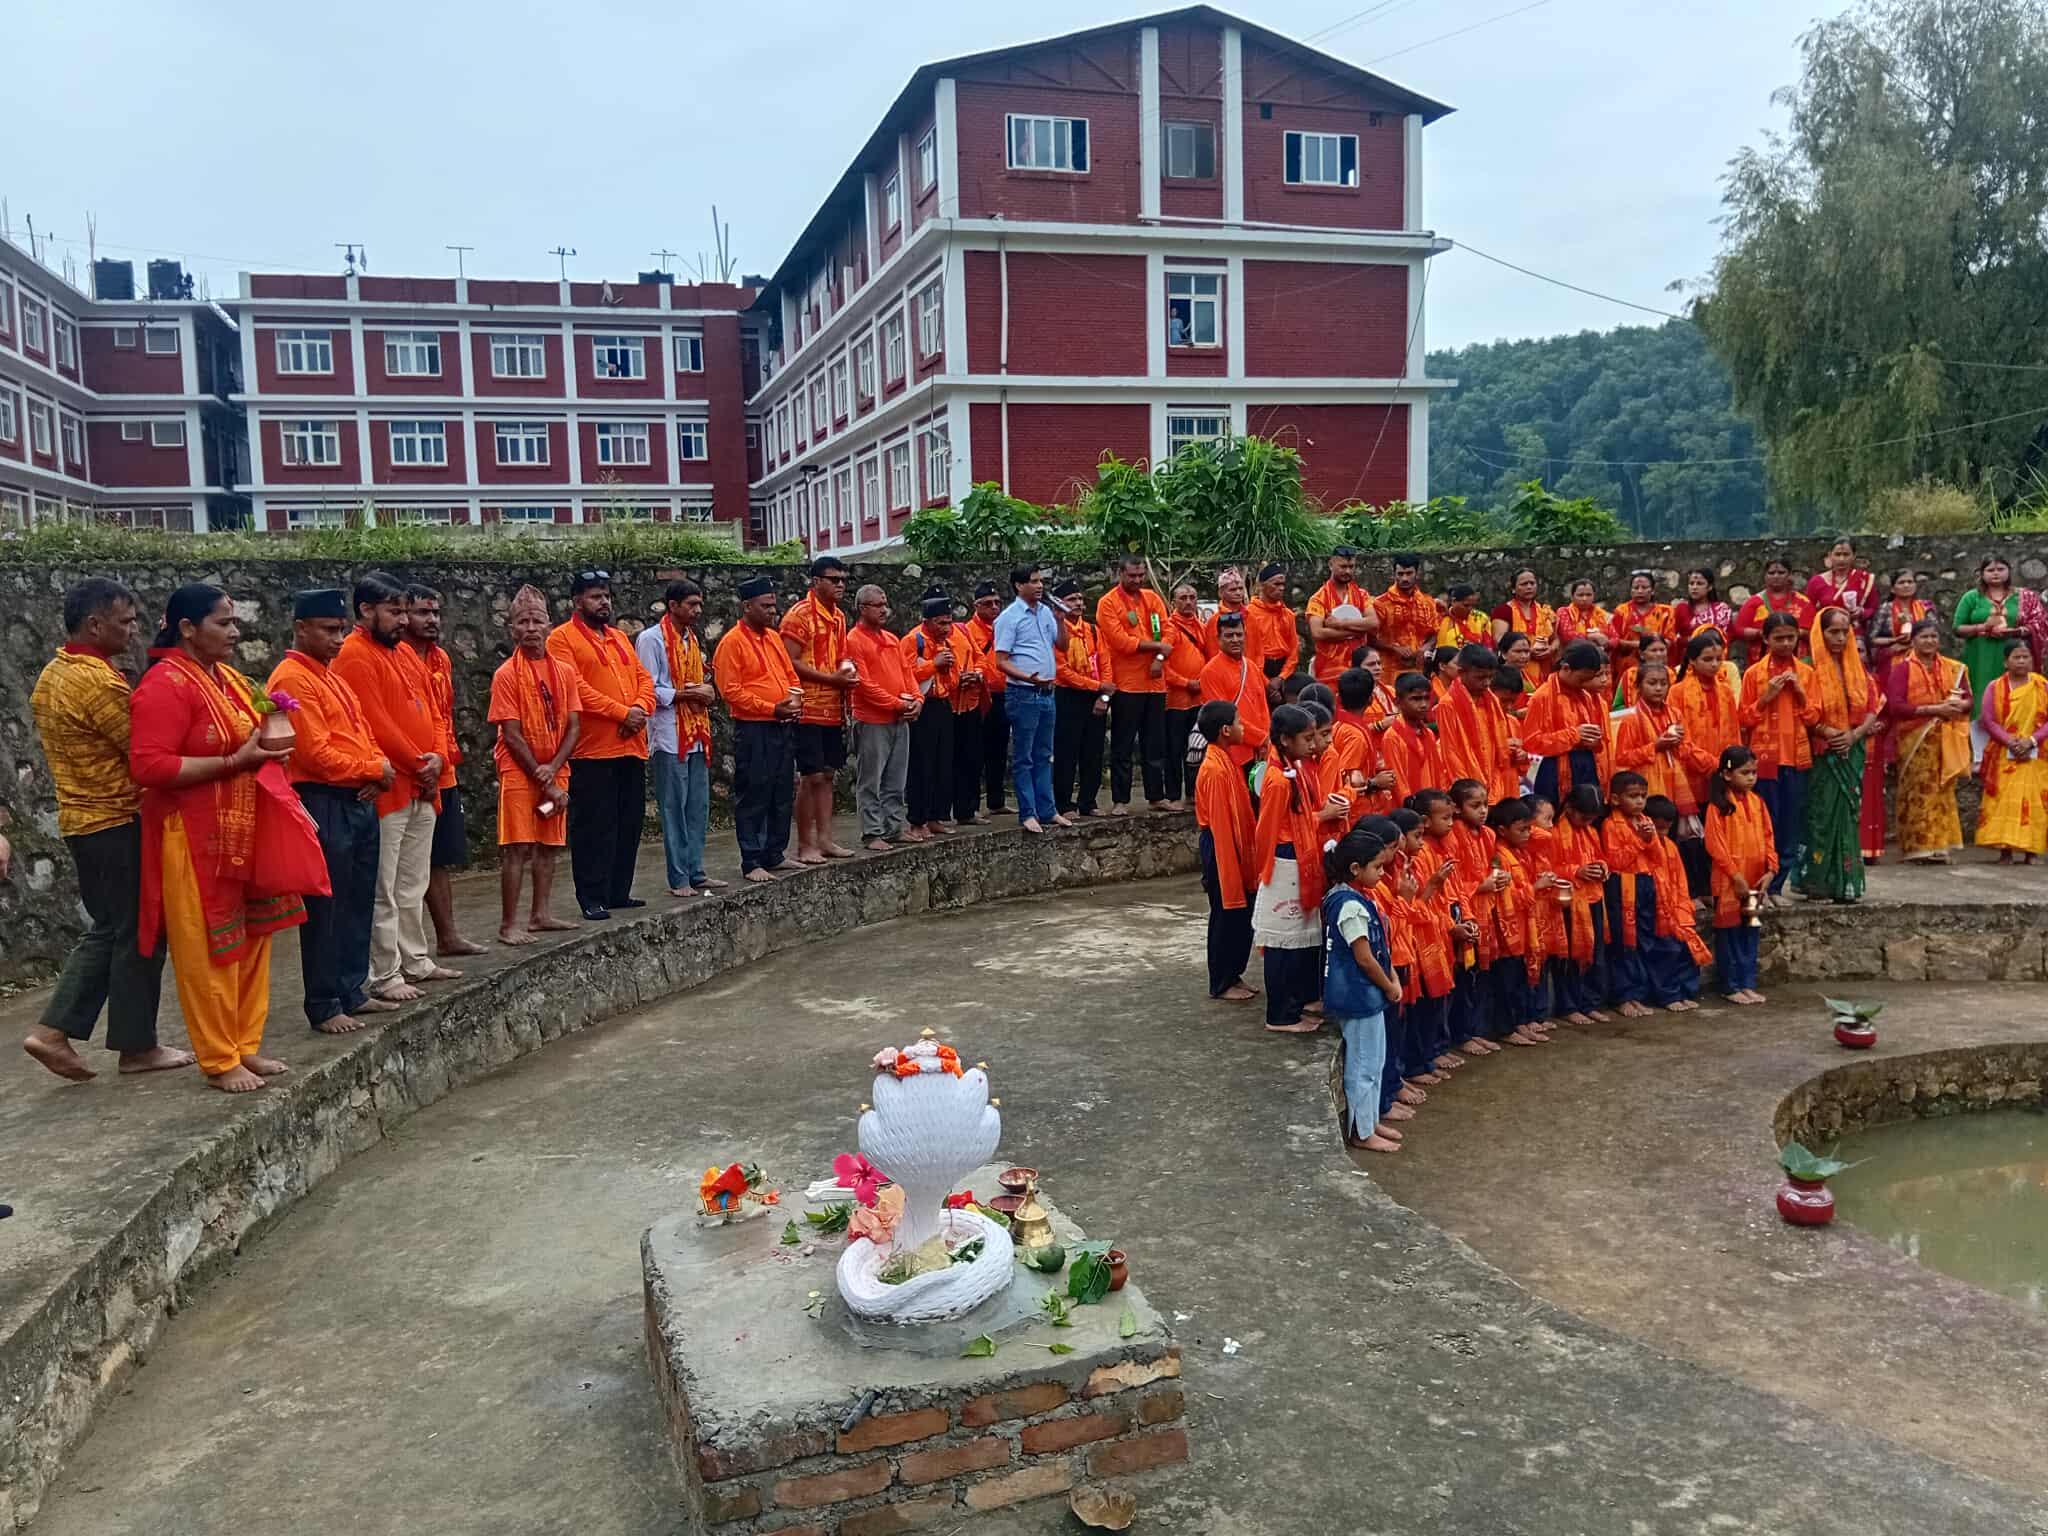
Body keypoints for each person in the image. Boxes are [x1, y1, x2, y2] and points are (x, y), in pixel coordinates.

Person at [129, 584, 302, 1092]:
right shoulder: (164, 685)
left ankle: (245, 1044)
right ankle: (219, 1057)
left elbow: (256, 731)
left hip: (246, 826)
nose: (234, 631)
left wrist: (273, 746)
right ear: (187, 628)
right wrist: (235, 762)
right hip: (192, 833)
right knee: (208, 947)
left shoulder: (225, 677)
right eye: (223, 623)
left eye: (233, 622)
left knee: (255, 938)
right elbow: (149, 765)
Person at [23, 578, 184, 1082]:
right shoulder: (98, 682)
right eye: (126, 621)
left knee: (113, 928)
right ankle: (131, 1046)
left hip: (83, 823)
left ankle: (60, 1032)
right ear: (95, 625)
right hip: (116, 821)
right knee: (138, 930)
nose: (134, 630)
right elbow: (144, 751)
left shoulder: (54, 672)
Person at [267, 589, 397, 1036]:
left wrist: (377, 771)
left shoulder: (331, 676)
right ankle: (324, 1001)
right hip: (323, 799)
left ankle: (352, 988)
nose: (337, 638)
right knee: (328, 904)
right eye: (328, 630)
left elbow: (364, 734)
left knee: (358, 897)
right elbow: (316, 754)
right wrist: (374, 768)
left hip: (356, 798)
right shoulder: (292, 679)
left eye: (340, 629)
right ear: (301, 628)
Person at [333, 571, 454, 999]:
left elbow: (436, 712)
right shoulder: (353, 654)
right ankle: (385, 974)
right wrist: (419, 763)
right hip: (391, 786)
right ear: (366, 611)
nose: (403, 620)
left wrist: (437, 757)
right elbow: (375, 723)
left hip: (423, 782)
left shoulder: (403, 653)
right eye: (394, 611)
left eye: (406, 611)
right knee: (383, 886)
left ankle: (415, 959)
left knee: (412, 882)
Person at [546, 568, 656, 918]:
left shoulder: (620, 638)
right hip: (593, 751)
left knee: (628, 822)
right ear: (577, 601)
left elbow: (644, 679)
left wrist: (639, 709)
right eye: (595, 596)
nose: (604, 601)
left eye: (606, 595)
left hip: (631, 746)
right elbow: (575, 688)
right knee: (595, 825)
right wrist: (623, 713)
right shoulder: (561, 640)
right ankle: (591, 896)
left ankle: (617, 891)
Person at [488, 585, 583, 943]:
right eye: (523, 621)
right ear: (511, 628)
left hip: (555, 773)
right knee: (517, 846)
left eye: (537, 620)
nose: (530, 627)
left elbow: (574, 725)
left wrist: (554, 769)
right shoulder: (506, 674)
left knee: (548, 842)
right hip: (520, 772)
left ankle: (541, 914)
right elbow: (511, 734)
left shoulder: (565, 671)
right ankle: (509, 924)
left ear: (549, 625)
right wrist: (543, 777)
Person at [1251, 703, 1343, 1033]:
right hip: (1283, 861)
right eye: (1306, 738)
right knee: (1282, 942)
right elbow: (1267, 829)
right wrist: (1265, 870)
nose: (1313, 744)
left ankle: (1294, 1004)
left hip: (1297, 856)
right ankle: (1279, 1015)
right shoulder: (1277, 779)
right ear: (1286, 740)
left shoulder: (1295, 768)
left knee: (1298, 939)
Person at [404, 584, 483, 958]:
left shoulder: (441, 659)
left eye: (435, 613)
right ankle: (408, 951)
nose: (432, 620)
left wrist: (442, 759)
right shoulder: (398, 657)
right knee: (407, 867)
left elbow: (444, 715)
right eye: (422, 612)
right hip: (412, 771)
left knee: (440, 856)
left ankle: (448, 936)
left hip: (444, 767)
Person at [713, 575, 804, 882]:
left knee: (781, 790)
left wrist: (792, 701)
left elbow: (790, 675)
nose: (772, 612)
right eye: (765, 606)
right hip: (754, 729)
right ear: (747, 606)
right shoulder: (732, 643)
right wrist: (770, 708)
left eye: (774, 606)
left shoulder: (773, 638)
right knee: (754, 793)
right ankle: (751, 860)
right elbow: (731, 691)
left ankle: (774, 853)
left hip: (781, 725)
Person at [636, 579, 722, 898]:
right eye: (691, 605)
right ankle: (679, 877)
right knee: (674, 807)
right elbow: (648, 689)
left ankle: (696, 871)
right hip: (669, 733)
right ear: (673, 606)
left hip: (697, 731)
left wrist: (704, 693)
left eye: (699, 604)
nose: (698, 610)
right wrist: (688, 694)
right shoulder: (651, 639)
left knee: (698, 806)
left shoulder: (691, 639)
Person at [1323, 826, 1404, 1153]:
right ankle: (1362, 1130)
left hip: (1366, 995)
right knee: (1364, 1065)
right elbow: (1365, 959)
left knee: (1374, 1060)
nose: (1383, 874)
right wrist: (1390, 985)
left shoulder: (1352, 898)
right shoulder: (1349, 906)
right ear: (1356, 869)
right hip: (1359, 995)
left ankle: (1369, 1121)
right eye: (1378, 867)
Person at [1797, 607, 1881, 903]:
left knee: (1848, 815)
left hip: (1851, 751)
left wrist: (1853, 736)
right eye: (1833, 631)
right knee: (1820, 816)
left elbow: (1872, 708)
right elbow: (1802, 712)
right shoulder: (1807, 669)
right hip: (1823, 754)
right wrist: (1827, 733)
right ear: (1820, 633)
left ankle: (1847, 883)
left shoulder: (1856, 667)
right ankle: (1816, 881)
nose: (1840, 637)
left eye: (1845, 631)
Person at [779, 556, 858, 864]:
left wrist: (848, 672)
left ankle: (825, 839)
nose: (840, 584)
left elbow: (841, 656)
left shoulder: (837, 616)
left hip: (833, 706)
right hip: (808, 706)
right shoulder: (798, 615)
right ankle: (805, 844)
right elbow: (790, 661)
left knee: (828, 775)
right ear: (816, 581)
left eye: (843, 579)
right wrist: (831, 678)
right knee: (810, 776)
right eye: (833, 579)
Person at [1739, 611, 1818, 896]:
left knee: (1789, 824)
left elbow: (1813, 719)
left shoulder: (1807, 674)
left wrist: (1800, 693)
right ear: (1765, 639)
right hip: (1763, 762)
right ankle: (1760, 884)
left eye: (1791, 638)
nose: (1786, 643)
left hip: (1796, 760)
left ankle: (1775, 886)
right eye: (1779, 638)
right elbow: (1744, 719)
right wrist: (1766, 698)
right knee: (1764, 824)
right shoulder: (1753, 674)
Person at [1887, 618, 1972, 864]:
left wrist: (1958, 705)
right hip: (1915, 738)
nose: (1930, 641)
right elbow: (1896, 706)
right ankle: (1917, 847)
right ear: (1913, 640)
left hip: (1945, 737)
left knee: (1943, 790)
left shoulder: (1954, 669)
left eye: (1934, 636)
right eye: (1924, 637)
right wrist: (1935, 709)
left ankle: (1940, 846)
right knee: (1917, 791)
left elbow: (1969, 701)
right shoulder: (1902, 668)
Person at [991, 565, 1068, 834]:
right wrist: (1027, 677)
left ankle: (1048, 810)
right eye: (1033, 581)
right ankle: (1028, 812)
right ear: (1018, 586)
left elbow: (1063, 646)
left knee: (1045, 755)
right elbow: (1000, 661)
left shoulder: (1046, 612)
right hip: (1023, 693)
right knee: (1024, 757)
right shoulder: (1009, 618)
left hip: (1047, 692)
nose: (1039, 586)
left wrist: (1060, 620)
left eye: (1040, 581)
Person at [1095, 556, 1175, 812]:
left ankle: (1155, 796)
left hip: (1155, 684)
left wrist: (1160, 657)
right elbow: (1121, 641)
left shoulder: (1152, 598)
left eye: (1141, 576)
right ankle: (1120, 800)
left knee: (1155, 744)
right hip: (1127, 684)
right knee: (1123, 744)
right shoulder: (1107, 603)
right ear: (1120, 573)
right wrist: (1157, 647)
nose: (1138, 580)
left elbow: (1168, 630)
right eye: (1132, 576)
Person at [845, 584, 921, 851]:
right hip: (872, 719)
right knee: (871, 780)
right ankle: (872, 831)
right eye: (878, 605)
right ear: (863, 608)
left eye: (885, 604)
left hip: (899, 718)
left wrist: (917, 700)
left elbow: (908, 673)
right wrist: (898, 704)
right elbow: (863, 684)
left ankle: (894, 826)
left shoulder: (891, 639)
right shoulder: (854, 640)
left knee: (896, 779)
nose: (884, 609)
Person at [1954, 555, 2048, 761]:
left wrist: (2018, 630)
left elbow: (2041, 623)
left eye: (2000, 569)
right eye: (1990, 570)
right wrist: (1982, 628)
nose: (1996, 573)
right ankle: (1980, 756)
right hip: (1981, 656)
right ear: (1982, 574)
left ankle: (2018, 747)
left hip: (2015, 654)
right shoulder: (1972, 597)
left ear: (2008, 571)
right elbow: (1957, 627)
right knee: (1980, 701)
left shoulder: (2024, 597)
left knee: (2016, 699)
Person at [1193, 699, 1257, 1002]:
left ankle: (1234, 973)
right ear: (1225, 730)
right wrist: (1231, 868)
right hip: (1221, 845)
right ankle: (1221, 980)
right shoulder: (1215, 770)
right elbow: (1220, 824)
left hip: (1232, 842)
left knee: (1241, 916)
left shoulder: (1226, 759)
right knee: (1225, 913)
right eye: (1240, 721)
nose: (1244, 726)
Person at [1669, 629, 1742, 891]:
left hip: (1721, 774)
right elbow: (1678, 737)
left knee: (1717, 833)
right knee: (1691, 835)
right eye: (1707, 659)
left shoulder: (1725, 692)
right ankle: (1694, 890)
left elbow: (1733, 733)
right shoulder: (1677, 692)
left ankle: (1714, 888)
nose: (1714, 665)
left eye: (1717, 659)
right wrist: (1712, 763)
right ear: (1692, 660)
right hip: (1690, 775)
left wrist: (1733, 766)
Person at [1704, 745, 1773, 1004]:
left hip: (1756, 880)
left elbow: (1769, 837)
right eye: (1745, 772)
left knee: (1749, 932)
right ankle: (1730, 985)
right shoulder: (1718, 806)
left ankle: (1747, 982)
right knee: (1729, 933)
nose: (1751, 777)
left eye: (1754, 772)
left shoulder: (1758, 803)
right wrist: (1736, 877)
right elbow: (1715, 845)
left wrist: (1771, 871)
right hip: (1729, 883)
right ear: (1726, 774)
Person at [1976, 638, 2048, 864]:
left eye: (2026, 657)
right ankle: (2005, 851)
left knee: (2034, 801)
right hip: (2003, 754)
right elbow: (1988, 720)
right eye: (2016, 657)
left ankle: (2031, 851)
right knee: (2003, 802)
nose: (2022, 661)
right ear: (2006, 662)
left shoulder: (2042, 686)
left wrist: (2031, 741)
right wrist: (2011, 742)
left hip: (2036, 755)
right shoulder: (1995, 687)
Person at [1549, 781, 1613, 1025]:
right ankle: (1569, 1006)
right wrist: (1576, 871)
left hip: (1593, 898)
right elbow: (1548, 868)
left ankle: (1591, 1002)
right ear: (1570, 808)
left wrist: (1602, 868)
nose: (1587, 822)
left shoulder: (1591, 831)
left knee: (1595, 954)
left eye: (1591, 818)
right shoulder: (1554, 832)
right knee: (1571, 956)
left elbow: (1600, 857)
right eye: (1584, 817)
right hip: (1568, 902)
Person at [902, 590, 962, 839]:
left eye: (949, 622)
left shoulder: (947, 643)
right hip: (921, 707)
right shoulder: (912, 641)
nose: (947, 628)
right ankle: (918, 819)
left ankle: (937, 815)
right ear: (927, 622)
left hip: (943, 704)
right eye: (941, 623)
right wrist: (932, 665)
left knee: (943, 763)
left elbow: (954, 678)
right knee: (921, 765)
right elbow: (904, 675)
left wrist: (947, 672)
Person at [1601, 770, 1660, 1020]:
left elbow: (1657, 858)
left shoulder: (1645, 820)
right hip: (1622, 884)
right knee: (1623, 942)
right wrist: (1640, 840)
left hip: (1644, 882)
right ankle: (1623, 996)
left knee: (1643, 940)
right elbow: (1616, 861)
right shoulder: (1610, 825)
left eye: (1643, 796)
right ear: (1615, 799)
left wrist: (1650, 838)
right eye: (1633, 796)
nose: (1639, 802)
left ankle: (1638, 993)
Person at [1639, 795, 1708, 1011]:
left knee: (1688, 951)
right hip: (1657, 912)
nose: (1661, 834)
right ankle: (1668, 996)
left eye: (1666, 829)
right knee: (1666, 953)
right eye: (1657, 828)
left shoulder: (1670, 846)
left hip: (1676, 909)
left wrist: (1683, 908)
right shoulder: (1641, 846)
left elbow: (1680, 882)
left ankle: (1684, 991)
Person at [1522, 640, 1611, 805]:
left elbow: (1599, 742)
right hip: (1553, 773)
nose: (1585, 684)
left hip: (1585, 767)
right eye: (1581, 679)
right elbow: (1531, 743)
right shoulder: (1542, 697)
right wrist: (1574, 735)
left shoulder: (1584, 695)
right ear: (1566, 668)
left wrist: (1594, 741)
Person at [1051, 579, 1109, 821]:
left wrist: (1104, 696)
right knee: (1066, 752)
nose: (1077, 604)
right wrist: (1098, 686)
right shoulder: (1056, 632)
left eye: (1079, 599)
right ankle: (1064, 803)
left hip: (1096, 697)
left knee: (1093, 752)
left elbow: (1106, 665)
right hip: (1068, 696)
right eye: (1071, 600)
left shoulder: (1093, 630)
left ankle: (1088, 800)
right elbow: (1062, 671)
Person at [1436, 643, 1523, 802]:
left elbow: (1498, 745)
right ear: (1461, 673)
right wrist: (1467, 789)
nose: (1487, 683)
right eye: (1481, 677)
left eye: (1490, 677)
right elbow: (1451, 751)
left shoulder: (1492, 700)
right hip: (1467, 784)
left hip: (1493, 779)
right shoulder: (1448, 704)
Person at [1612, 660, 1690, 814]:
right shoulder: (1631, 719)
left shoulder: (1675, 714)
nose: (1658, 688)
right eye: (1652, 683)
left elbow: (1687, 749)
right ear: (1639, 687)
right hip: (1646, 787)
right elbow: (1622, 758)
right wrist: (1655, 747)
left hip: (1674, 782)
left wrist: (1679, 744)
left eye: (1663, 683)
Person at [963, 582, 1011, 816]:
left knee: (999, 750)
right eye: (988, 604)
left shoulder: (1003, 627)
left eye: (997, 603)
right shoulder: (968, 631)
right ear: (976, 605)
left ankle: (996, 800)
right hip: (981, 696)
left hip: (1004, 694)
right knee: (975, 752)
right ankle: (970, 806)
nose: (994, 608)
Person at [1199, 611, 1268, 769]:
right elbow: (1224, 718)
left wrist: (1265, 741)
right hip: (1232, 752)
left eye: (1239, 635)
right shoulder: (1211, 672)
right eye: (1229, 636)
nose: (1235, 640)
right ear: (1218, 639)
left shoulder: (1251, 666)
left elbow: (1262, 707)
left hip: (1259, 749)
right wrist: (1261, 738)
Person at [1162, 582, 1209, 805]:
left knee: (1197, 748)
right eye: (1183, 598)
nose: (1189, 602)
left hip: (1199, 697)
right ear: (1173, 603)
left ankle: (1194, 793)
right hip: (1176, 699)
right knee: (1174, 749)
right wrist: (1185, 682)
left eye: (1192, 597)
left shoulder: (1200, 626)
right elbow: (1162, 665)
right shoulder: (1169, 628)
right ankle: (1173, 795)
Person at [948, 588, 992, 826]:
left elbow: (980, 658)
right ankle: (942, 812)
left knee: (972, 757)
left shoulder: (962, 632)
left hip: (971, 703)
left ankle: (969, 809)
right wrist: (957, 679)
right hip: (948, 704)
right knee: (948, 760)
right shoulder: (920, 638)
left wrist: (976, 673)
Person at [1306, 546, 1378, 686]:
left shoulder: (1362, 595)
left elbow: (1373, 623)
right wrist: (1357, 630)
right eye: (1343, 566)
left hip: (1359, 666)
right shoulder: (1318, 598)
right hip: (1330, 667)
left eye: (1351, 567)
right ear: (1331, 564)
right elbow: (1318, 633)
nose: (1348, 571)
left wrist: (1340, 624)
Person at [1380, 672, 1447, 804]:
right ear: (1398, 702)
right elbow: (1399, 784)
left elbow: (1438, 773)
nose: (1423, 704)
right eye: (1416, 699)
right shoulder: (1392, 737)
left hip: (1432, 806)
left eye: (1426, 698)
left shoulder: (1428, 733)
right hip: (1409, 810)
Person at [1731, 559, 1815, 661]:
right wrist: (1761, 633)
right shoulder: (1754, 602)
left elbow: (1813, 632)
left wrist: (1788, 633)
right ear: (1765, 576)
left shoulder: (1803, 602)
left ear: (1789, 575)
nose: (1776, 576)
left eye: (1781, 573)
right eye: (1771, 573)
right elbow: (1739, 630)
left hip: (1798, 662)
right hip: (1761, 663)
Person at [1608, 570, 1677, 691]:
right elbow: (1614, 641)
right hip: (1626, 668)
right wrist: (1640, 645)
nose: (1640, 591)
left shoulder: (1666, 612)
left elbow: (1670, 640)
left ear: (1653, 590)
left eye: (1644, 587)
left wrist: (1652, 647)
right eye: (1636, 587)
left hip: (1658, 668)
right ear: (1631, 590)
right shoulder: (1622, 611)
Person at [1373, 555, 1439, 679]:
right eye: (1400, 574)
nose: (1404, 578)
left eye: (1409, 573)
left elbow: (1434, 634)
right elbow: (1369, 638)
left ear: (1417, 573)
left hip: (1420, 670)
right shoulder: (1380, 603)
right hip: (1389, 672)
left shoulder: (1428, 602)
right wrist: (1394, 648)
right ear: (1394, 574)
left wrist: (1424, 648)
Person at [1490, 569, 1557, 684]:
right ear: (1513, 589)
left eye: (1532, 583)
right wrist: (1527, 651)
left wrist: (1550, 650)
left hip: (1545, 666)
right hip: (1516, 670)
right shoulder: (1504, 611)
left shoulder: (1545, 611)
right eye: (1524, 584)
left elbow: (1556, 638)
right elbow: (1499, 640)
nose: (1529, 587)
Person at [1245, 564, 1302, 690]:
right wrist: (1266, 683)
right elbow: (1249, 654)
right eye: (1276, 584)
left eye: (1283, 584)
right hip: (1259, 671)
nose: (1281, 588)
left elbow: (1293, 651)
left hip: (1283, 672)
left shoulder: (1288, 615)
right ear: (1261, 585)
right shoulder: (1249, 614)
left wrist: (1282, 677)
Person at [1805, 538, 1878, 628]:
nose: (1841, 559)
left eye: (1846, 555)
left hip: (1855, 631)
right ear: (1830, 555)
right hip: (1825, 632)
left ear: (1854, 556)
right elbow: (1807, 611)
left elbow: (1873, 609)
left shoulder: (1864, 579)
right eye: (1837, 554)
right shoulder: (1816, 581)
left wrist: (1861, 612)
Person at [1869, 568, 1929, 677]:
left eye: (1910, 582)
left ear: (1915, 586)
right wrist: (1895, 641)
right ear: (1892, 589)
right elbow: (1872, 639)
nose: (1906, 585)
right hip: (1892, 658)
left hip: (1921, 657)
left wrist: (1911, 645)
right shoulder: (1885, 609)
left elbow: (1933, 634)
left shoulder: (1925, 607)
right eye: (1901, 582)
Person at [1673, 568, 1735, 645]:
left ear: (1710, 587)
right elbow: (1672, 637)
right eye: (1691, 583)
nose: (1694, 587)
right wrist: (1692, 640)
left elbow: (1730, 635)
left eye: (1699, 583)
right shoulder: (1682, 609)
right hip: (1689, 655)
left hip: (1717, 654)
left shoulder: (1721, 609)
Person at [1554, 579, 1611, 654]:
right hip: (1572, 659)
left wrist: (1608, 643)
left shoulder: (1602, 614)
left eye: (1588, 595)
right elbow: (1567, 636)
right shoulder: (1564, 612)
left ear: (1594, 595)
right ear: (1572, 596)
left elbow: (1615, 637)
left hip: (1600, 660)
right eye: (1580, 595)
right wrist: (1593, 636)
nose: (1585, 598)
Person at [1200, 566, 1249, 653]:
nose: (1238, 593)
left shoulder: (1250, 617)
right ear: (1221, 593)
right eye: (1233, 590)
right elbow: (1212, 653)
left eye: (1241, 589)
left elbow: (1259, 650)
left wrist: (1255, 666)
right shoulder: (1214, 622)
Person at [1434, 584, 1490, 652]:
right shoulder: (1440, 618)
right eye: (1466, 605)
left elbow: (1489, 646)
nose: (1470, 609)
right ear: (1453, 601)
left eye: (1473, 605)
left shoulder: (1482, 618)